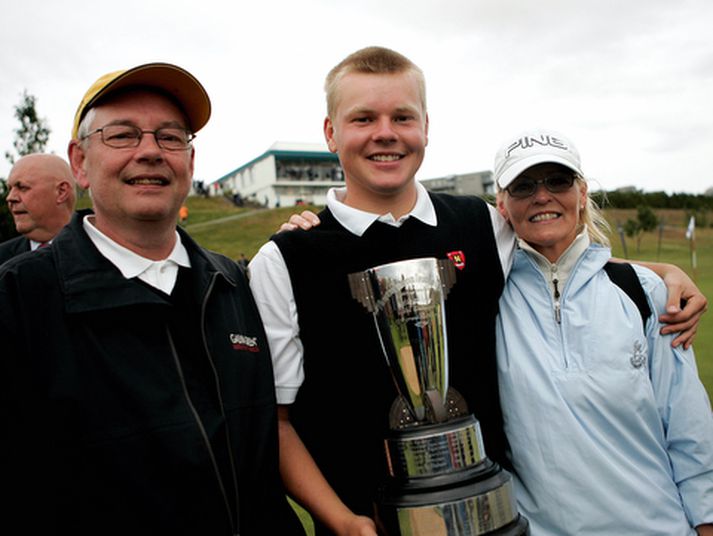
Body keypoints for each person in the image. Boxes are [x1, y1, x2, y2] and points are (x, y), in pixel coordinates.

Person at [248, 46, 707, 535]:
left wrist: (660, 274)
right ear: (331, 133)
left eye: (402, 117)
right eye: (363, 118)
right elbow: (275, 423)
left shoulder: (481, 225)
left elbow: (560, 257)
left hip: (493, 520)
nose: (385, 133)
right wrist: (343, 522)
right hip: (369, 524)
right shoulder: (284, 261)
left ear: (426, 126)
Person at [0, 62, 302, 535]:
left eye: (170, 137)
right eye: (122, 135)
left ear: (190, 162)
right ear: (79, 162)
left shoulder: (232, 284)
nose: (150, 152)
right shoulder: (18, 299)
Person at [493, 129, 713, 535]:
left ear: (581, 192)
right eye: (523, 185)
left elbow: (690, 431)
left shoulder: (645, 292)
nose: (542, 196)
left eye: (557, 181)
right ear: (502, 206)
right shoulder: (487, 298)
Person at [0, 153, 76, 263]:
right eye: (9, 189)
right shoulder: (3, 258)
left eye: (22, 188)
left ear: (61, 192)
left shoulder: (99, 252)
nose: (10, 198)